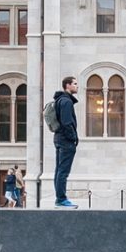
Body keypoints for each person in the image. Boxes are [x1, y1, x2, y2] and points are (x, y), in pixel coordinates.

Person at [51, 77, 80, 208]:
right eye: (75, 84)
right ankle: (61, 199)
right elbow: (67, 122)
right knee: (63, 171)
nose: (77, 86)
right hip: (65, 140)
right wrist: (73, 137)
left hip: (59, 138)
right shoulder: (66, 102)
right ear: (67, 86)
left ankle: (59, 198)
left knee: (59, 170)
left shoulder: (59, 100)